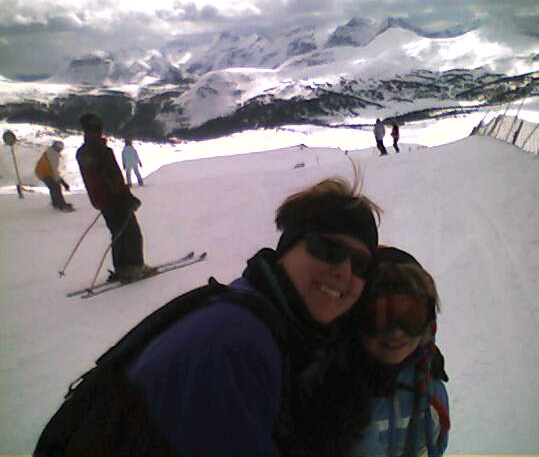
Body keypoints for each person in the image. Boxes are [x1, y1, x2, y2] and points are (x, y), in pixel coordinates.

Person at [37, 175, 381, 457]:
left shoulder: (270, 320)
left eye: (361, 264)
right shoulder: (235, 343)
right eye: (328, 250)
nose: (344, 271)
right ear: (287, 250)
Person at [296, 246, 450, 457]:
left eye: (410, 317)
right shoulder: (326, 389)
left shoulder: (428, 384)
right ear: (354, 319)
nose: (396, 332)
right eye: (379, 316)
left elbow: (434, 444)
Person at [76, 113, 152, 282]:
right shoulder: (102, 151)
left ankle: (122, 268)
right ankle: (134, 268)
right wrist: (128, 198)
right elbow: (113, 178)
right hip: (115, 200)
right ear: (99, 129)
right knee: (132, 233)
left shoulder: (82, 152)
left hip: (100, 201)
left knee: (117, 234)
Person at [34, 140, 74, 212]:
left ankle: (56, 203)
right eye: (60, 148)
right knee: (56, 187)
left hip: (44, 172)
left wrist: (61, 181)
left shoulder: (51, 152)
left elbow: (53, 170)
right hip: (44, 173)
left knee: (54, 187)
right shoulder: (53, 155)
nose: (60, 150)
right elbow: (54, 170)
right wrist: (62, 182)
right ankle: (62, 205)